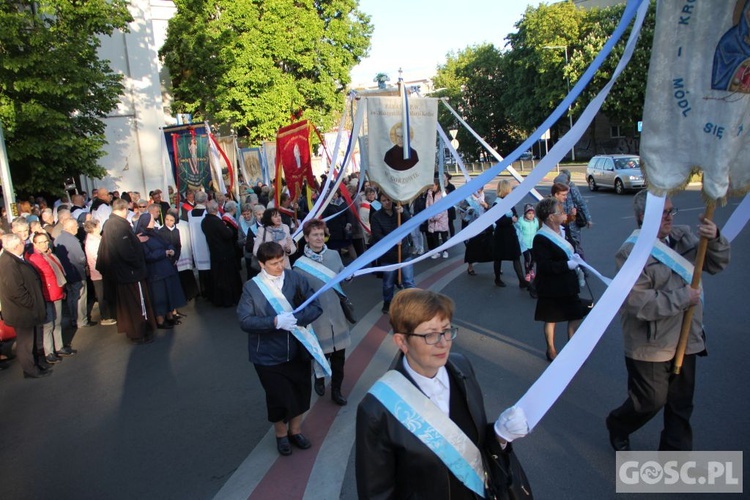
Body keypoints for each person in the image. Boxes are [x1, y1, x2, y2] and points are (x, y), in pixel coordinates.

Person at [355, 288, 530, 499]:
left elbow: (474, 448)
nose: (443, 342)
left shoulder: (461, 367)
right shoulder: (376, 409)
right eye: (430, 334)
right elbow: (376, 494)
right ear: (402, 342)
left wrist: (500, 437)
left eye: (446, 330)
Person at [606, 192, 730, 452]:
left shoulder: (683, 237)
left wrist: (715, 238)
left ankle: (673, 456)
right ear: (643, 217)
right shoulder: (630, 252)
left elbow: (716, 265)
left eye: (671, 212)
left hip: (688, 339)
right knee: (649, 402)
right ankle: (618, 424)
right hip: (650, 343)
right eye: (664, 214)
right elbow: (637, 302)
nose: (670, 218)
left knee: (681, 404)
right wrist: (682, 297)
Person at [236, 241, 323, 456]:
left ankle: (296, 431)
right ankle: (281, 435)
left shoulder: (296, 279)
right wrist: (274, 322)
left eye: (281, 261)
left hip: (297, 350)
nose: (279, 266)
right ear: (261, 264)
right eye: (273, 263)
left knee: (301, 393)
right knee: (278, 398)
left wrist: (296, 319)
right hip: (267, 355)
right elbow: (245, 321)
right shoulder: (252, 288)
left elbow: (316, 306)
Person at [293, 219, 351, 406]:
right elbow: (298, 295)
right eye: (314, 235)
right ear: (307, 238)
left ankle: (336, 390)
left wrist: (349, 276)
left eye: (321, 234)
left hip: (337, 314)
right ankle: (319, 378)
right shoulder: (299, 265)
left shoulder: (334, 255)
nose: (319, 238)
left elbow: (342, 278)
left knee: (339, 358)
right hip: (317, 319)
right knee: (321, 355)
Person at [532, 197, 587, 362]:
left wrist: (575, 259)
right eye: (560, 211)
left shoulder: (564, 230)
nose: (564, 213)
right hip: (551, 285)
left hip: (568, 283)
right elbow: (544, 266)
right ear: (550, 216)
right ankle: (551, 349)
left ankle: (571, 347)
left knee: (576, 314)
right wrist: (567, 264)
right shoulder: (540, 238)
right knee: (551, 318)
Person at [98, 198, 156, 344]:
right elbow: (125, 251)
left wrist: (134, 240)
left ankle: (135, 330)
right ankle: (139, 331)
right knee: (137, 302)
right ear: (123, 209)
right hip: (130, 273)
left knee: (128, 303)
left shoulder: (110, 224)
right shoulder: (119, 226)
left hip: (123, 273)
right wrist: (137, 264)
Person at [0, 233, 50, 378]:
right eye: (22, 242)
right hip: (21, 311)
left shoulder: (14, 259)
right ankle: (30, 370)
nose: (24, 243)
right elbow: (16, 290)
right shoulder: (8, 263)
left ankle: (35, 365)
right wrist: (31, 303)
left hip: (26, 309)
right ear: (16, 246)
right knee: (25, 343)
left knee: (30, 341)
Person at [135, 213, 186, 328]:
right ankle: (160, 320)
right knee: (159, 296)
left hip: (165, 268)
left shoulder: (155, 233)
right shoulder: (142, 237)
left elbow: (167, 244)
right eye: (152, 220)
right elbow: (147, 256)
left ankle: (170, 316)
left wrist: (171, 249)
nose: (154, 222)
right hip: (155, 272)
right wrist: (164, 253)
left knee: (168, 293)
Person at [25, 231, 69, 363]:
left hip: (56, 292)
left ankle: (59, 346)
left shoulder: (48, 254)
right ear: (34, 244)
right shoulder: (34, 258)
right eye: (41, 242)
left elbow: (58, 272)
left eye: (45, 241)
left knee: (57, 322)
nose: (44, 244)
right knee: (48, 325)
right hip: (46, 295)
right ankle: (49, 352)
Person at [370, 193, 416, 314]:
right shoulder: (376, 216)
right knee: (388, 283)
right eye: (384, 200)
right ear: (380, 201)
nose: (387, 202)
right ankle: (387, 302)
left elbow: (410, 223)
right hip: (388, 255)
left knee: (408, 281)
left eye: (389, 200)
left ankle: (413, 302)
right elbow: (377, 234)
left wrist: (403, 212)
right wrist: (393, 241)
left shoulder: (399, 211)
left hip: (404, 252)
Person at [201, 200, 243, 307]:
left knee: (218, 278)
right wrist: (228, 228)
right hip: (225, 254)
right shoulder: (216, 221)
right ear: (216, 209)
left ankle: (220, 299)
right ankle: (230, 299)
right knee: (228, 279)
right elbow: (228, 234)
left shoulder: (204, 221)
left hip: (214, 253)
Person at [55, 218, 94, 328]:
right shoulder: (72, 240)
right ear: (71, 227)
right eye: (76, 226)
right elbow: (80, 258)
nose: (77, 227)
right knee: (80, 298)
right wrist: (85, 265)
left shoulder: (58, 239)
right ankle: (81, 320)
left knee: (71, 297)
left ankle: (73, 319)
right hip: (76, 273)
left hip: (66, 274)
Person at [492, 180, 529, 289]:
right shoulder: (497, 203)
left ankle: (522, 280)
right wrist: (510, 219)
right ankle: (497, 279)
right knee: (498, 258)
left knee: (516, 256)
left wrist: (515, 217)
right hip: (501, 234)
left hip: (511, 233)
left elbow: (515, 213)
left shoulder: (508, 201)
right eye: (509, 188)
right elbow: (497, 220)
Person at [84, 220, 116, 326]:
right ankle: (105, 317)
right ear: (93, 228)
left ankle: (110, 314)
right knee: (102, 295)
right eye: (98, 226)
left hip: (103, 271)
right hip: (98, 272)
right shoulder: (92, 241)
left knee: (106, 293)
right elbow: (97, 256)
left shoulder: (96, 238)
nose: (100, 228)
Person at [459, 188, 492, 276]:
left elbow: (492, 209)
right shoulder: (468, 199)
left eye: (480, 190)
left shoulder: (486, 197)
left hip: (485, 227)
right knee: (471, 247)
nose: (478, 192)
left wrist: (486, 206)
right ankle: (470, 267)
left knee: (490, 247)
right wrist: (469, 209)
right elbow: (461, 208)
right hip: (472, 227)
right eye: (476, 191)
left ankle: (497, 267)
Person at [188, 191, 211, 299]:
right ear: (205, 200)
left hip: (196, 244)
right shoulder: (207, 213)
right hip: (206, 243)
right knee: (209, 270)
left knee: (201, 271)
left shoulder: (190, 213)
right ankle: (211, 292)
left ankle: (204, 291)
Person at [426, 178, 449, 259]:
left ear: (437, 185)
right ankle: (437, 251)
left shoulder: (442, 194)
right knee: (434, 236)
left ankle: (445, 251)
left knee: (443, 236)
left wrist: (435, 217)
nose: (432, 187)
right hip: (432, 219)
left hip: (441, 219)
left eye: (433, 185)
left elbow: (443, 208)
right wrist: (429, 216)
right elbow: (427, 205)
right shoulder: (429, 193)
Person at [516, 204, 539, 283]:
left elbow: (538, 230)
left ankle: (531, 269)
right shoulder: (521, 221)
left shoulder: (535, 221)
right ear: (525, 214)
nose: (531, 215)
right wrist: (520, 241)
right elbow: (518, 232)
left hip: (533, 243)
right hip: (524, 244)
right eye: (529, 213)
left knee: (534, 258)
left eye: (532, 213)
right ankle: (527, 273)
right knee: (527, 259)